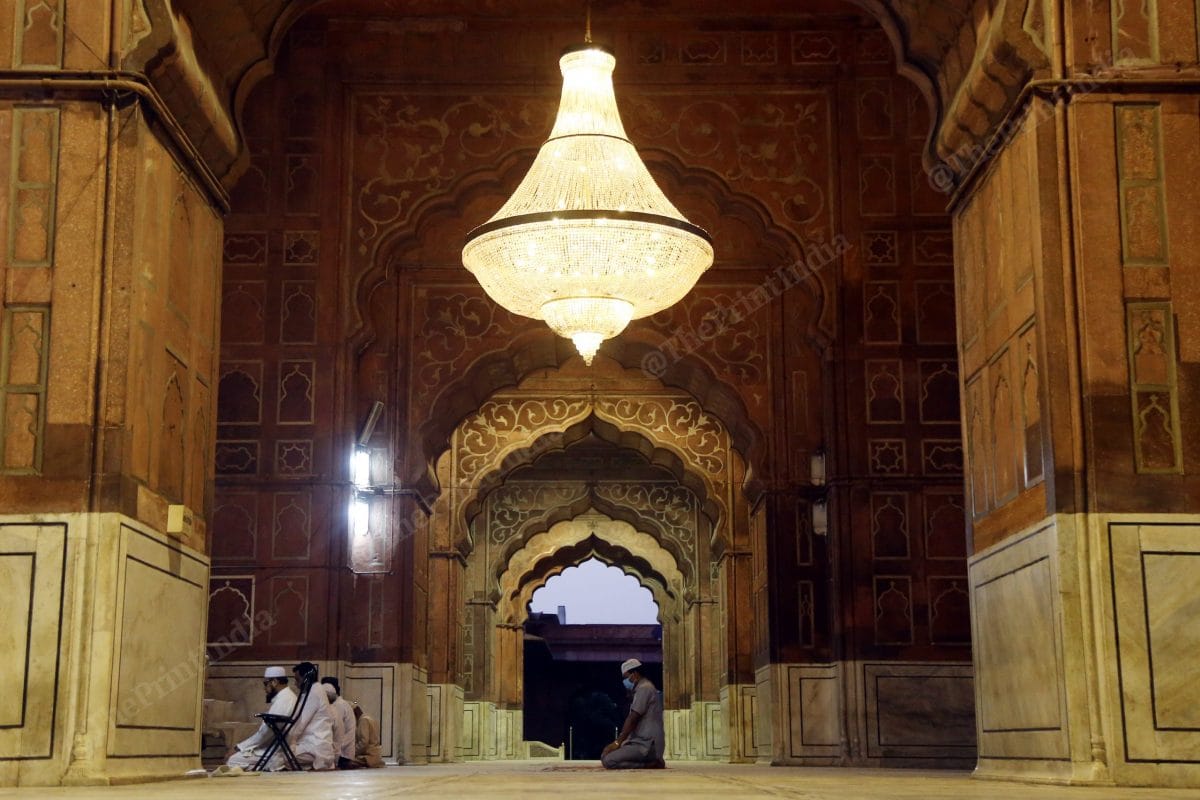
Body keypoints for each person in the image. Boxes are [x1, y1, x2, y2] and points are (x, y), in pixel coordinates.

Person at [225, 666, 297, 770]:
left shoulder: (285, 699)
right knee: (237, 759)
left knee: (232, 760)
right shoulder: (286, 697)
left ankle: (273, 765)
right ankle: (268, 767)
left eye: (265, 683)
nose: (264, 688)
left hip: (276, 751)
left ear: (274, 682)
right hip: (275, 747)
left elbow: (265, 733)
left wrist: (239, 747)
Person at [600, 658, 665, 769]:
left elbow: (633, 718)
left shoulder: (645, 688)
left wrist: (617, 743)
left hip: (647, 745)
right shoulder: (640, 689)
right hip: (640, 743)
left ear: (634, 674)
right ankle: (651, 762)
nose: (625, 682)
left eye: (626, 677)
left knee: (608, 760)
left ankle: (650, 764)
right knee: (606, 756)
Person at [286, 661, 337, 770]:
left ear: (306, 678)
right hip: (316, 746)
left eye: (297, 680)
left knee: (279, 756)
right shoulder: (314, 690)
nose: (295, 684)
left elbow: (300, 723)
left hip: (315, 747)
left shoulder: (314, 692)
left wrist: (287, 739)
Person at [321, 678, 358, 768]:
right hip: (344, 751)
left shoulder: (338, 706)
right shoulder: (342, 703)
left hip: (343, 753)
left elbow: (335, 730)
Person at [353, 703, 385, 768]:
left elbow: (363, 742)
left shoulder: (363, 720)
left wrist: (353, 752)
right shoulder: (369, 718)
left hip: (369, 757)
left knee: (345, 762)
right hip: (375, 755)